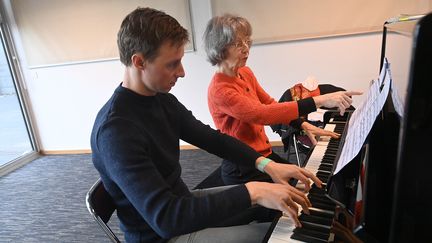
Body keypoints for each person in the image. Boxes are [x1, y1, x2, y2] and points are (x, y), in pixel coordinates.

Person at [91, 7, 324, 243]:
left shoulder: (161, 100)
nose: (182, 72)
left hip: (182, 203)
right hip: (164, 233)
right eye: (173, 64)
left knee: (282, 201)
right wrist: (253, 191)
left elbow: (214, 139)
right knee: (282, 236)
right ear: (139, 62)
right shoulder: (116, 131)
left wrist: (267, 166)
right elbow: (167, 219)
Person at [204, 14, 362, 185]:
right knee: (298, 193)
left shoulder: (245, 72)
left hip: (262, 156)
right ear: (219, 48)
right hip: (243, 168)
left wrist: (301, 124)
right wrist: (319, 100)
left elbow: (270, 104)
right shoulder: (220, 90)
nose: (246, 49)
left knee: (307, 181)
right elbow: (262, 114)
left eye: (247, 41)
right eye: (237, 44)